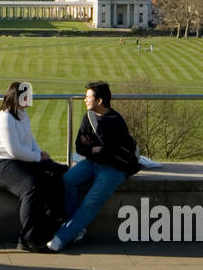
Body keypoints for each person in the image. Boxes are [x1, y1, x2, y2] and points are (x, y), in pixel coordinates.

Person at [47, 81, 139, 252]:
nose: (84, 100)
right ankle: (77, 228)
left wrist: (93, 148)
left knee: (90, 204)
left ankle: (61, 237)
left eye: (88, 97)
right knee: (67, 180)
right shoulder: (88, 117)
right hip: (93, 163)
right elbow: (79, 146)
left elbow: (112, 153)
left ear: (99, 100)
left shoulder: (116, 121)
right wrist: (94, 149)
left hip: (114, 169)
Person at [0, 81, 67, 253]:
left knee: (58, 172)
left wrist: (41, 155)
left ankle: (54, 225)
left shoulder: (22, 115)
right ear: (16, 97)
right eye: (26, 95)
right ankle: (27, 239)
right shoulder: (4, 117)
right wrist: (37, 157)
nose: (29, 99)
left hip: (19, 160)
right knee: (31, 187)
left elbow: (30, 142)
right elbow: (13, 151)